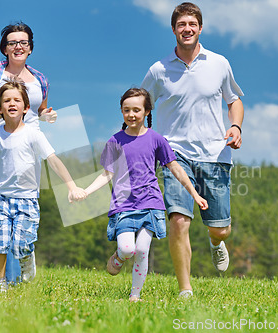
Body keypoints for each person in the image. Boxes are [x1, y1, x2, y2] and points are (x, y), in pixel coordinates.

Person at [141, 2, 245, 298]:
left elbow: (234, 100)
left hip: (215, 155)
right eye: (181, 25)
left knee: (220, 228)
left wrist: (235, 127)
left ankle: (215, 242)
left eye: (192, 24)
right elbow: (141, 103)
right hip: (174, 155)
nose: (186, 29)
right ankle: (185, 289)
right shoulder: (159, 70)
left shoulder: (219, 63)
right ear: (174, 30)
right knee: (178, 219)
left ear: (200, 28)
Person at [0, 80, 86, 291]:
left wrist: (72, 186)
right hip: (0, 198)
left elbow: (54, 160)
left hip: (27, 199)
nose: (12, 103)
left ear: (26, 107)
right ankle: (0, 283)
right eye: (7, 100)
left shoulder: (34, 135)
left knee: (22, 244)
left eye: (17, 100)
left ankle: (27, 260)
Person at [77, 88, 207, 302]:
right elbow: (106, 174)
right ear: (121, 112)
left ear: (147, 111)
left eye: (137, 110)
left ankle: (135, 295)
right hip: (123, 205)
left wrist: (194, 194)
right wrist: (86, 191)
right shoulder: (115, 141)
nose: (131, 114)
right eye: (126, 110)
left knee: (142, 249)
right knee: (128, 249)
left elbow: (175, 168)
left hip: (151, 203)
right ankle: (119, 256)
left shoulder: (157, 139)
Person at [0, 22, 57, 282]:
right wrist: (6, 108)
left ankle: (24, 255)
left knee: (25, 208)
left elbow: (39, 109)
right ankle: (8, 280)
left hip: (28, 150)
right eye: (12, 43)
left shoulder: (40, 79)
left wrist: (46, 114)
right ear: (5, 48)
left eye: (23, 42)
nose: (18, 46)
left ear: (30, 48)